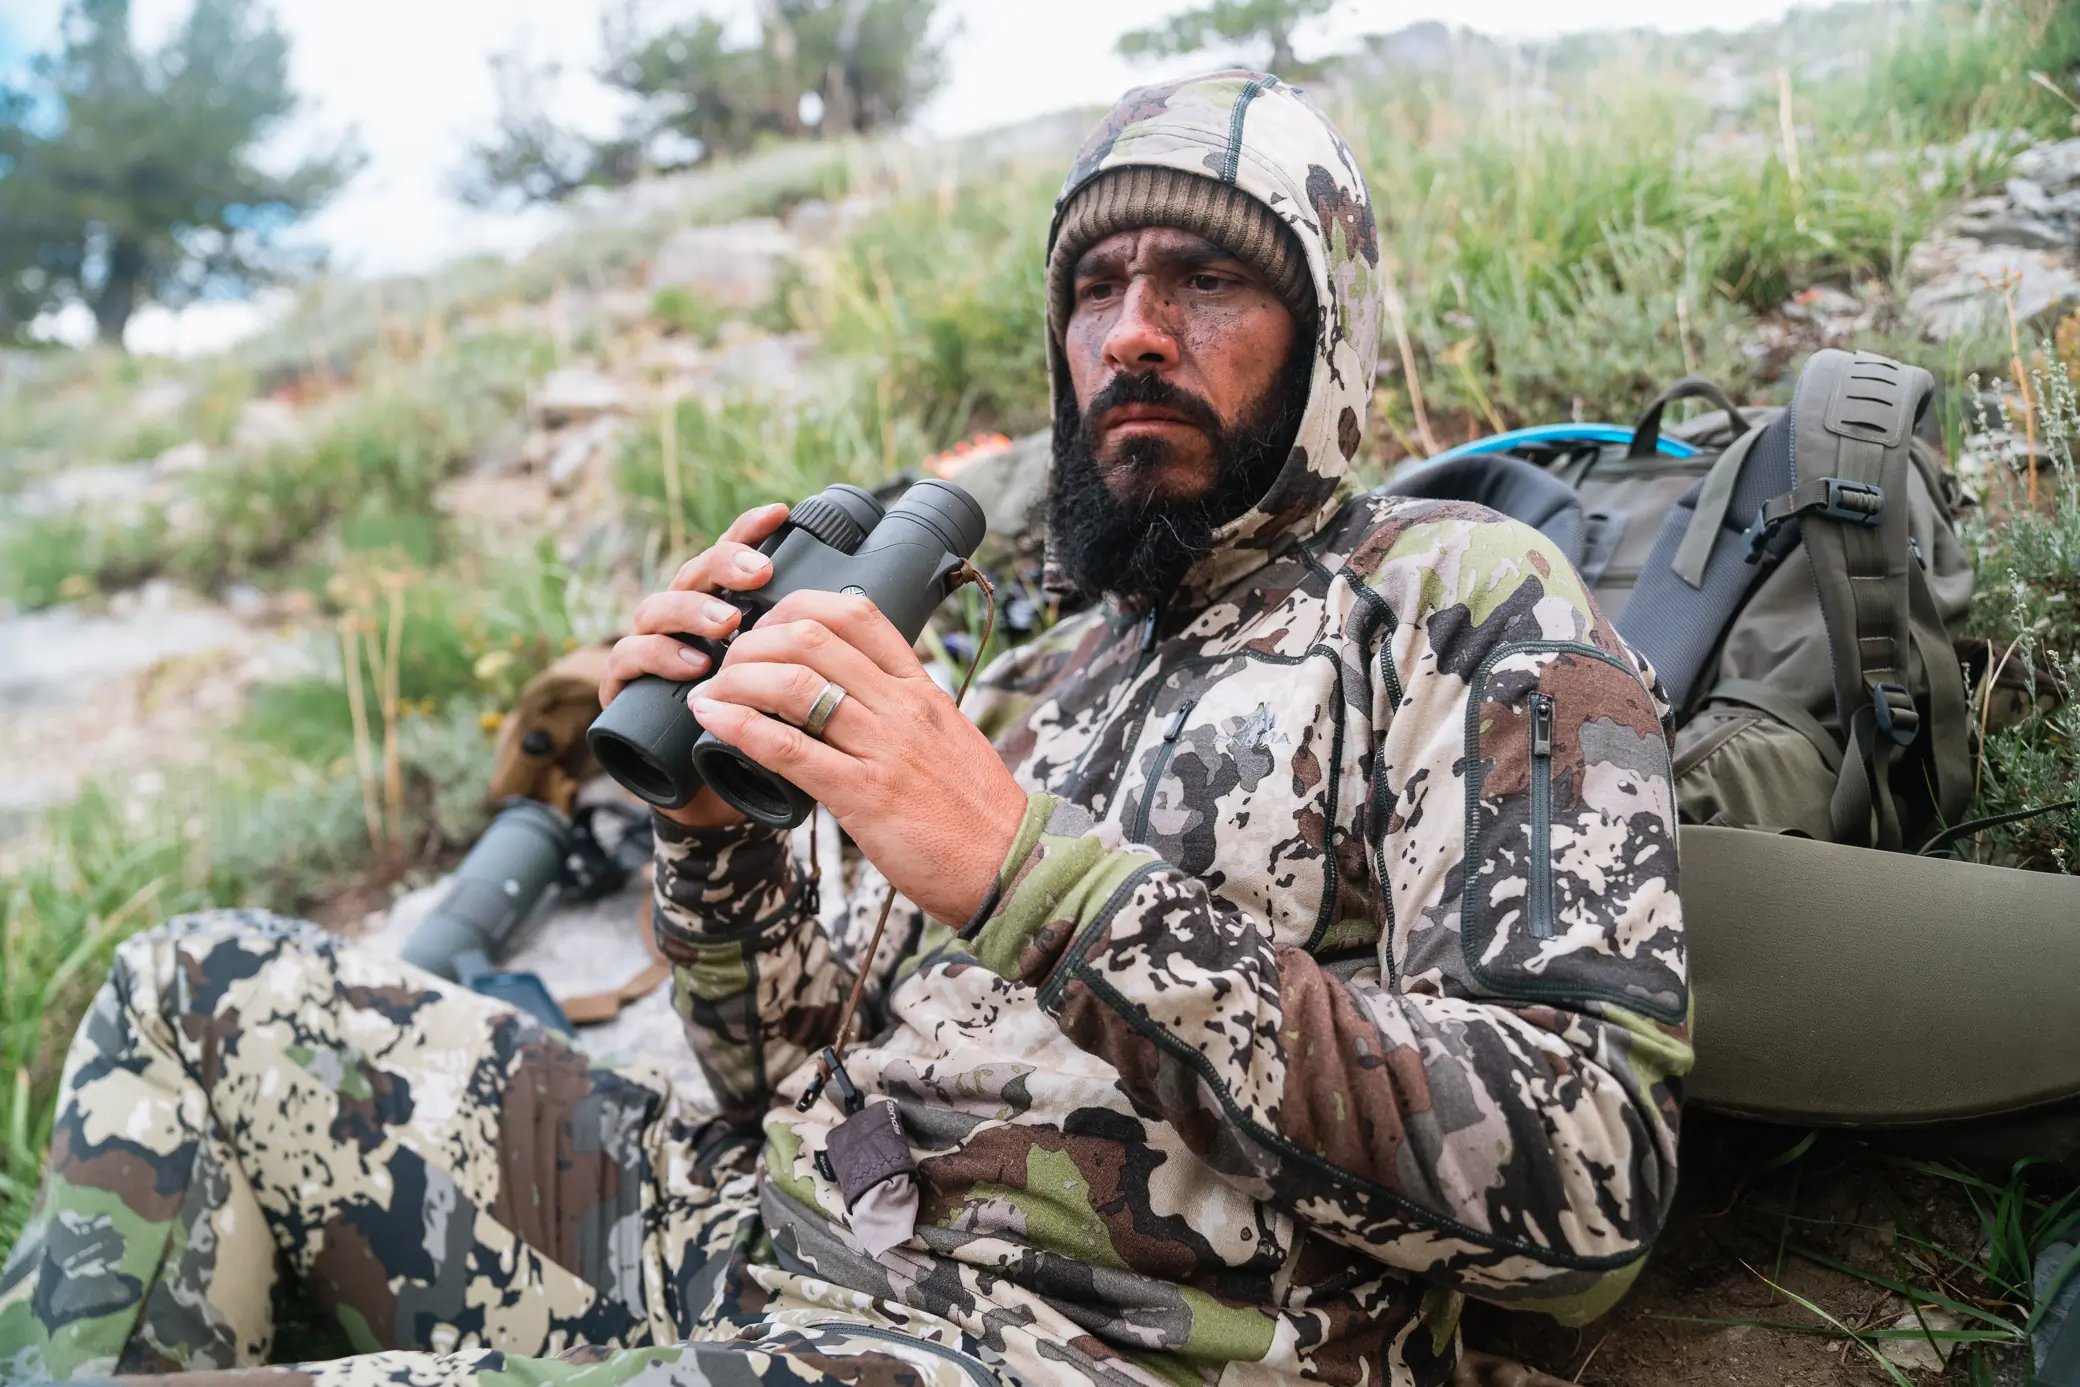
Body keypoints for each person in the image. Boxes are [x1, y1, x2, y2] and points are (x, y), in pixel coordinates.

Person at [0, 72, 1690, 1387]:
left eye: (1208, 280)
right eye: (1095, 283)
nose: (1134, 332)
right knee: (194, 985)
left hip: (1067, 1340)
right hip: (773, 1231)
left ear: (1327, 333)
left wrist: (1030, 873)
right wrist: (714, 838)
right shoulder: (1055, 677)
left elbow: (1592, 1183)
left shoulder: (1465, 602)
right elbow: (768, 1076)